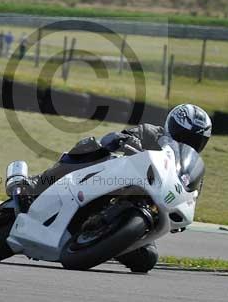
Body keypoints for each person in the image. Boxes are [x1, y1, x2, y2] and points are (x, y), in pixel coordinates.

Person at [28, 103, 212, 272]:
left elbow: (189, 198)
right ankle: (38, 183)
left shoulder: (191, 169)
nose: (188, 143)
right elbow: (122, 137)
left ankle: (106, 240)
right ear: (171, 128)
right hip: (114, 182)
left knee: (147, 259)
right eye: (184, 136)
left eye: (196, 140)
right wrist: (122, 139)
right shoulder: (150, 133)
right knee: (90, 147)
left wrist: (180, 217)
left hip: (144, 210)